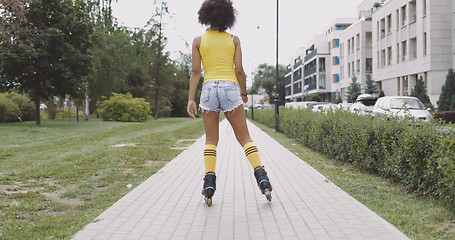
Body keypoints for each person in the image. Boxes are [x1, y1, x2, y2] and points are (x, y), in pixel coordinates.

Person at [187, 0, 272, 206]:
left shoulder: (198, 41)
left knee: (210, 141)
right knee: (245, 138)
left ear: (206, 16)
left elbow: (196, 72)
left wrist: (191, 99)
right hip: (230, 89)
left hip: (208, 90)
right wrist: (243, 93)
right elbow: (240, 70)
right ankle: (262, 177)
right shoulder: (234, 40)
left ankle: (209, 183)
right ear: (228, 17)